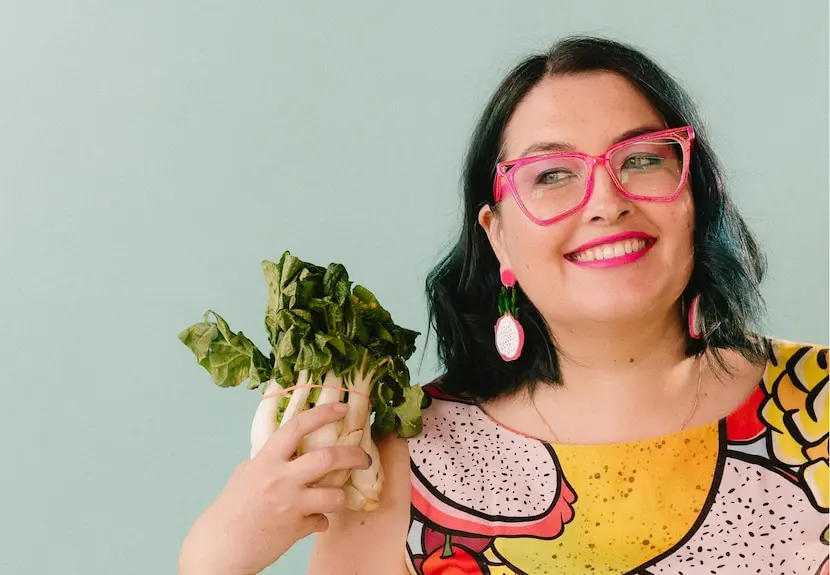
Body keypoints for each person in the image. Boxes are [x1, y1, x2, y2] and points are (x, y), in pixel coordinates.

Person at [178, 36, 829, 575]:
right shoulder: (401, 465)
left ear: (697, 197)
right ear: (498, 236)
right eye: (551, 175)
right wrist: (214, 560)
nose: (606, 199)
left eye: (641, 159)